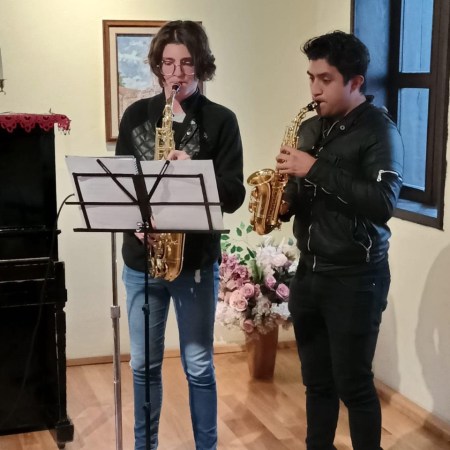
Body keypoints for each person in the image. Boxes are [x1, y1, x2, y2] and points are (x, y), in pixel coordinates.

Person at [115, 20, 245, 450]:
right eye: (168, 63)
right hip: (142, 261)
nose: (176, 73)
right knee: (142, 367)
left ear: (201, 66)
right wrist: (134, 221)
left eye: (187, 63)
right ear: (157, 66)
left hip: (194, 261)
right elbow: (121, 185)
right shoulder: (137, 116)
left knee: (199, 366)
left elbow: (234, 194)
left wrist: (196, 173)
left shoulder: (221, 120)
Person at [275, 31, 404, 450]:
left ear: (355, 82)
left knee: (354, 385)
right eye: (311, 78)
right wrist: (283, 202)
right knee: (316, 382)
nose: (314, 89)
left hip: (356, 277)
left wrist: (313, 169)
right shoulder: (311, 127)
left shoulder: (379, 131)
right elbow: (302, 192)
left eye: (326, 79)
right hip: (310, 272)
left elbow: (382, 202)